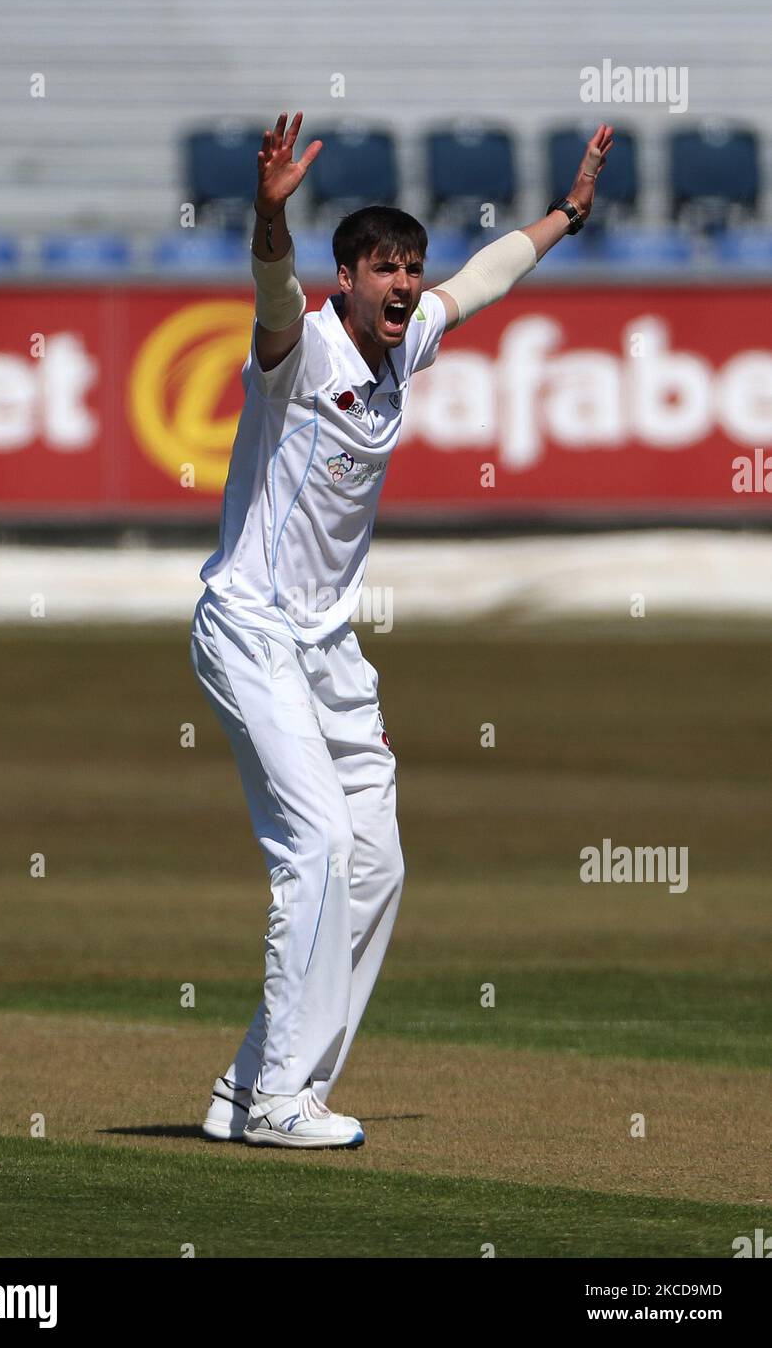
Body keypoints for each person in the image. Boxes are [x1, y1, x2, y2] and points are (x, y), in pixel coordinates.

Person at [193, 112, 613, 1148]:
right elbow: (270, 291)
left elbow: (482, 284)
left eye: (408, 268)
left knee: (375, 864)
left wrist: (563, 214)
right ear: (345, 277)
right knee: (318, 848)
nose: (403, 284)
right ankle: (281, 1103)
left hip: (330, 650)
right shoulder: (299, 347)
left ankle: (254, 1078)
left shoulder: (409, 331)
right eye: (383, 267)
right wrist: (267, 209)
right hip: (250, 628)